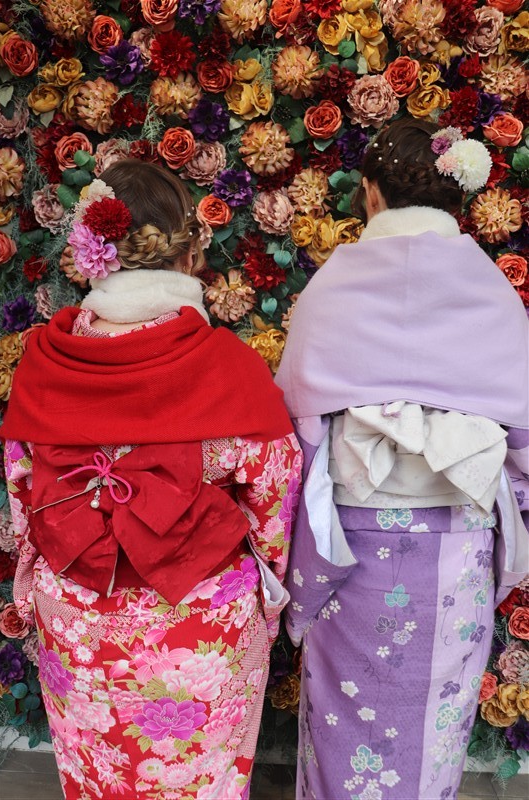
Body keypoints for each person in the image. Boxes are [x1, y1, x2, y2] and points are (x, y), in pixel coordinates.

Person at [0, 160, 303, 800]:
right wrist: (269, 587)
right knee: (199, 777)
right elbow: (273, 494)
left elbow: (25, 490)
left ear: (92, 256)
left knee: (98, 773)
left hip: (78, 614)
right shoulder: (228, 368)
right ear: (189, 254)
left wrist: (33, 583)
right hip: (198, 618)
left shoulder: (45, 362)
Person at [275, 118, 528, 800]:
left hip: (351, 547)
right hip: (455, 548)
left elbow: (298, 431)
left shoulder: (332, 290)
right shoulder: (492, 295)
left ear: (370, 192)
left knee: (342, 717)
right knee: (432, 727)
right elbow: (522, 434)